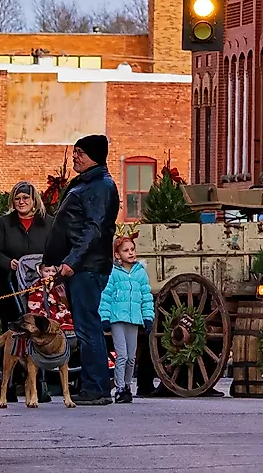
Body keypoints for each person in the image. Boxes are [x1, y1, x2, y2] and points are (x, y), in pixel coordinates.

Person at [45, 134, 120, 407]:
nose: (74, 157)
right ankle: (92, 384)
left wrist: (71, 262)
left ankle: (97, 387)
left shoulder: (100, 186)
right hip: (80, 266)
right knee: (85, 325)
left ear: (94, 156)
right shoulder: (87, 182)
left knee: (88, 327)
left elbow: (94, 230)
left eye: (79, 152)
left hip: (87, 267)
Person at [0, 181, 53, 398]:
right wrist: (8, 263)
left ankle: (38, 382)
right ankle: (9, 381)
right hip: (11, 286)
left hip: (39, 289)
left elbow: (56, 248)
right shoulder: (5, 224)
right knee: (14, 333)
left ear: (34, 200)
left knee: (38, 332)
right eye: (17, 199)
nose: (21, 202)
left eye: (25, 198)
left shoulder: (48, 224)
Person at [101, 232, 154, 405]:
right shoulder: (113, 274)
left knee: (132, 357)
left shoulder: (141, 274)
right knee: (122, 355)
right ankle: (119, 388)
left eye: (132, 249)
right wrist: (105, 317)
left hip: (134, 319)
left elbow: (146, 297)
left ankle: (127, 385)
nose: (131, 253)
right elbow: (106, 296)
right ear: (117, 255)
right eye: (126, 250)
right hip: (118, 319)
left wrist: (148, 317)